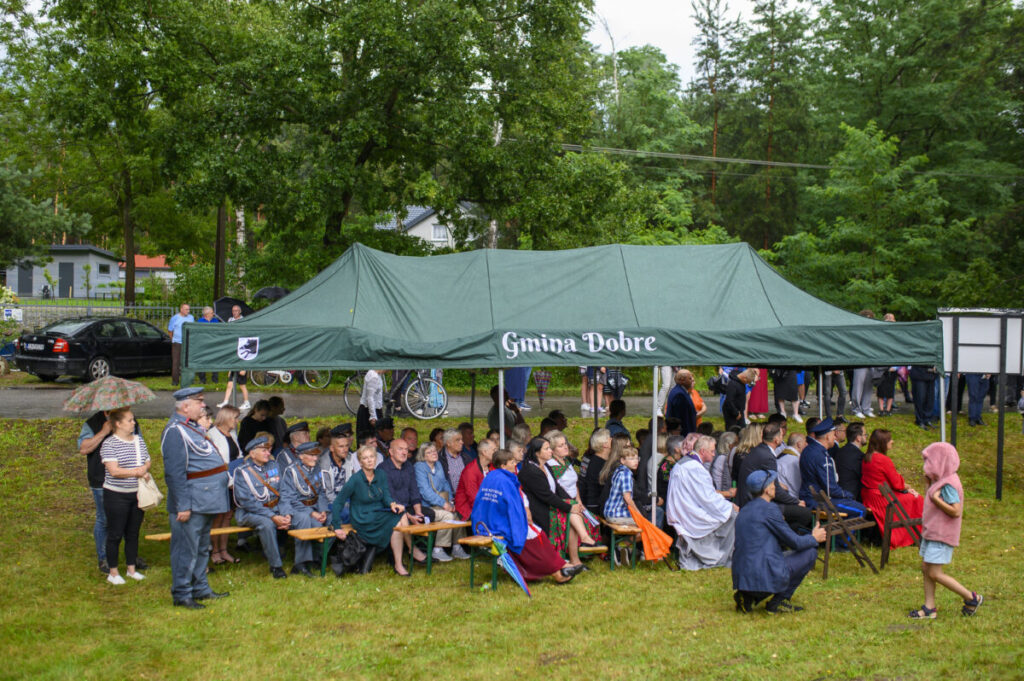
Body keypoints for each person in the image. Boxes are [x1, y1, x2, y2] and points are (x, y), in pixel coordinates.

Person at [160, 386, 230, 608]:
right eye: (199, 401)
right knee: (185, 549)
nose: (203, 405)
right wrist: (182, 504)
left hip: (206, 498)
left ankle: (200, 588)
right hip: (192, 500)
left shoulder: (190, 427)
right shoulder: (175, 431)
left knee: (201, 547)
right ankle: (182, 593)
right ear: (185, 405)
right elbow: (174, 472)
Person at [471, 449, 585, 584]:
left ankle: (560, 567)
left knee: (537, 535)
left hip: (486, 523)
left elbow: (481, 503)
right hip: (499, 526)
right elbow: (513, 507)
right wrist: (522, 524)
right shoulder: (506, 481)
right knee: (535, 539)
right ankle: (558, 571)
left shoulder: (490, 477)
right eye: (512, 462)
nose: (515, 464)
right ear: (503, 465)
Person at [732, 470, 827, 613]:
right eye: (773, 484)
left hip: (741, 575)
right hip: (760, 570)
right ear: (767, 490)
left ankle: (748, 594)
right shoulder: (770, 509)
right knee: (809, 553)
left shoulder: (745, 509)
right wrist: (814, 537)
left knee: (782, 556)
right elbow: (795, 542)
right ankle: (779, 601)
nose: (775, 486)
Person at [908, 442, 983, 618]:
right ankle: (929, 608)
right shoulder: (940, 480)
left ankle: (971, 597)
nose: (926, 465)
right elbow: (929, 497)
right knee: (926, 567)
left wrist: (937, 500)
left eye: (930, 461)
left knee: (934, 572)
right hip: (932, 531)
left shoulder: (948, 484)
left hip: (941, 535)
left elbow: (956, 511)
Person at [331, 444, 416, 577]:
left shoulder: (381, 474)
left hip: (377, 514)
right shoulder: (355, 479)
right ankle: (411, 551)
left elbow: (386, 496)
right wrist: (336, 526)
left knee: (400, 516)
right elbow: (338, 503)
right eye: (365, 458)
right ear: (360, 462)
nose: (370, 460)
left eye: (372, 457)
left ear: (376, 459)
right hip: (362, 518)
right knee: (399, 519)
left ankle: (399, 563)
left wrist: (392, 504)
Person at [78, 409, 143, 575]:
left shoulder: (129, 420)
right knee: (105, 519)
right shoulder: (93, 422)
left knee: (131, 521)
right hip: (102, 480)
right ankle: (104, 557)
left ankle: (131, 558)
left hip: (131, 481)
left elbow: (139, 445)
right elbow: (84, 448)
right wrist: (104, 432)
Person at [666, 435, 739, 570]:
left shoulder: (685, 463)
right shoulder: (695, 468)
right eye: (712, 451)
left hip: (684, 509)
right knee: (732, 516)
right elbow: (708, 499)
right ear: (703, 451)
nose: (714, 453)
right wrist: (730, 506)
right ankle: (720, 557)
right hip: (689, 513)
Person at [521, 436, 596, 564]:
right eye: (547, 449)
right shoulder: (531, 470)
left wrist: (573, 502)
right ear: (537, 453)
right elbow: (546, 495)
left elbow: (558, 488)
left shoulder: (545, 466)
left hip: (548, 504)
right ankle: (582, 542)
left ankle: (576, 558)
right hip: (538, 510)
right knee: (570, 513)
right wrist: (569, 507)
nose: (551, 451)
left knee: (572, 513)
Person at [100, 408, 151, 585]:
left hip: (136, 494)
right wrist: (136, 472)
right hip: (116, 496)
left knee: (133, 532)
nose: (133, 423)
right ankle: (113, 572)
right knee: (115, 533)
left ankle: (131, 569)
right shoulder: (109, 444)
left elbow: (147, 460)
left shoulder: (138, 441)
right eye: (129, 420)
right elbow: (113, 470)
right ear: (118, 424)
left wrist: (143, 470)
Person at [736, 421, 813, 533]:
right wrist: (795, 501)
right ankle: (780, 538)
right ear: (776, 439)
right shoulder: (767, 456)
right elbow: (775, 489)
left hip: (749, 499)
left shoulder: (759, 450)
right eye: (782, 435)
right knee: (805, 513)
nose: (783, 438)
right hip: (754, 502)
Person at [233, 436, 290, 579]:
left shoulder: (274, 466)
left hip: (275, 508)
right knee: (267, 524)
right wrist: (272, 515)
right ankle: (276, 566)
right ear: (252, 453)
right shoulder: (242, 472)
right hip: (249, 512)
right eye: (264, 450)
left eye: (269, 450)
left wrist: (286, 513)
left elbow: (283, 492)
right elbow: (247, 502)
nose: (268, 453)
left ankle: (305, 561)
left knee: (299, 516)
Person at [860, 429, 924, 549]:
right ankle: (915, 535)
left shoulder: (867, 457)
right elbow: (897, 483)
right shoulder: (883, 459)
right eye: (889, 440)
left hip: (870, 496)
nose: (892, 442)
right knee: (917, 499)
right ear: (883, 442)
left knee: (910, 497)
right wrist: (908, 487)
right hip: (881, 498)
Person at [798, 418, 867, 518]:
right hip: (820, 501)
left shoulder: (808, 449)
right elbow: (831, 489)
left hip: (810, 497)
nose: (835, 437)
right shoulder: (821, 456)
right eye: (833, 434)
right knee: (860, 510)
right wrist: (847, 495)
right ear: (827, 436)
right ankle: (843, 534)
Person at [279, 441, 329, 577]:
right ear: (301, 456)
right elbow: (290, 498)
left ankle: (317, 559)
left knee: (321, 523)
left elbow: (322, 493)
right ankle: (300, 563)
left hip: (313, 507)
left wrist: (322, 510)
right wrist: (312, 513)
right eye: (311, 455)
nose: (315, 458)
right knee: (304, 520)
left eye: (316, 455)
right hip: (295, 508)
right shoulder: (292, 471)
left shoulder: (317, 469)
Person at [414, 443, 470, 561]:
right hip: (427, 505)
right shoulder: (419, 467)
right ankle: (438, 549)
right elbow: (425, 491)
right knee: (448, 515)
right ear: (423, 456)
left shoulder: (438, 464)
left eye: (434, 451)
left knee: (458, 513)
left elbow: (445, 483)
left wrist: (450, 501)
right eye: (429, 452)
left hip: (441, 502)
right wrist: (444, 504)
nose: (434, 454)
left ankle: (457, 546)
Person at [377, 438, 428, 565]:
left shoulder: (408, 466)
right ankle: (411, 551)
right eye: (400, 449)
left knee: (428, 515)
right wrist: (409, 515)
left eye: (406, 449)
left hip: (408, 506)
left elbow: (414, 490)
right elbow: (390, 497)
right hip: (391, 508)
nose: (404, 452)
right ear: (391, 452)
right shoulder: (383, 469)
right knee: (401, 517)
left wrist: (418, 512)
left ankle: (425, 550)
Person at [207, 405, 242, 565]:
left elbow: (238, 454)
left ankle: (224, 550)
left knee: (228, 515)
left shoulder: (232, 433)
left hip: (234, 480)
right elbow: (217, 460)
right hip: (220, 481)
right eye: (235, 417)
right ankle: (214, 551)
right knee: (218, 516)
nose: (237, 421)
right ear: (227, 417)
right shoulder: (212, 434)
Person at [217, 305, 250, 410]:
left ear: (240, 311)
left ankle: (247, 402)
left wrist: (244, 367)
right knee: (230, 383)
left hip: (241, 358)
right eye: (233, 310)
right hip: (234, 354)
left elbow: (247, 349)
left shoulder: (243, 321)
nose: (234, 312)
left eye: (236, 310)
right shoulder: (230, 320)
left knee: (242, 384)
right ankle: (225, 402)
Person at [455, 438, 496, 522]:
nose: (496, 453)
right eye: (494, 450)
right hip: (468, 508)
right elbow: (473, 497)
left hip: (486, 507)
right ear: (484, 452)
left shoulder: (492, 467)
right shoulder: (470, 471)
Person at [600, 443, 640, 525]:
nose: (636, 461)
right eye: (632, 459)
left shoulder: (618, 470)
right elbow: (627, 498)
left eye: (637, 458)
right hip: (617, 514)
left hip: (609, 511)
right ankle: (629, 538)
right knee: (643, 524)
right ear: (622, 460)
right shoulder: (626, 474)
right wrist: (638, 513)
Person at [318, 423, 353, 508]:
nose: (345, 449)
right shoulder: (324, 464)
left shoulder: (350, 458)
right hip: (330, 502)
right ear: (332, 448)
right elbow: (328, 495)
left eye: (346, 446)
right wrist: (346, 505)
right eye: (341, 446)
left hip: (347, 498)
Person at [580, 428, 611, 517]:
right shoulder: (598, 463)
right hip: (595, 507)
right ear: (605, 444)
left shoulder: (597, 460)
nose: (612, 440)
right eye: (610, 438)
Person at [833, 421, 866, 500]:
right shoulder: (858, 456)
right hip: (852, 496)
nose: (866, 437)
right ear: (858, 438)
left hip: (839, 492)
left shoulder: (840, 451)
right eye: (865, 435)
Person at [439, 428, 474, 499]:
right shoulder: (439, 459)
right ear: (448, 443)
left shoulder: (467, 458)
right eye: (458, 440)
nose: (462, 442)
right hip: (449, 499)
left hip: (466, 497)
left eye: (461, 439)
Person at [167, 303, 194, 386]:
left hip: (188, 343)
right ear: (181, 309)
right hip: (177, 343)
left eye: (189, 309)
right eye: (186, 309)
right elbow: (170, 330)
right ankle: (175, 381)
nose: (188, 311)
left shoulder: (191, 317)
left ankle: (188, 380)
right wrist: (173, 340)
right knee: (176, 362)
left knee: (187, 362)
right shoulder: (175, 318)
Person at [665, 369, 698, 437]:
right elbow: (681, 418)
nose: (692, 380)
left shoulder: (681, 392)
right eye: (690, 378)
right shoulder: (679, 394)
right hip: (683, 435)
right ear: (682, 380)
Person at [195, 306, 221, 384]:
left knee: (215, 361)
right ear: (207, 314)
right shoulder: (200, 321)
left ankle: (215, 379)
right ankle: (202, 379)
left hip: (214, 344)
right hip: (203, 345)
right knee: (202, 361)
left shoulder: (216, 321)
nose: (213, 314)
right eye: (212, 313)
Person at [356, 369, 384, 442]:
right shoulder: (373, 377)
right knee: (369, 439)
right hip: (369, 411)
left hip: (374, 409)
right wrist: (373, 416)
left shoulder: (378, 375)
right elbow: (370, 397)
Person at [775, 432, 805, 499]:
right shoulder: (794, 461)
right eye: (805, 442)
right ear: (799, 444)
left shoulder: (781, 455)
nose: (806, 445)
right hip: (792, 499)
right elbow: (798, 486)